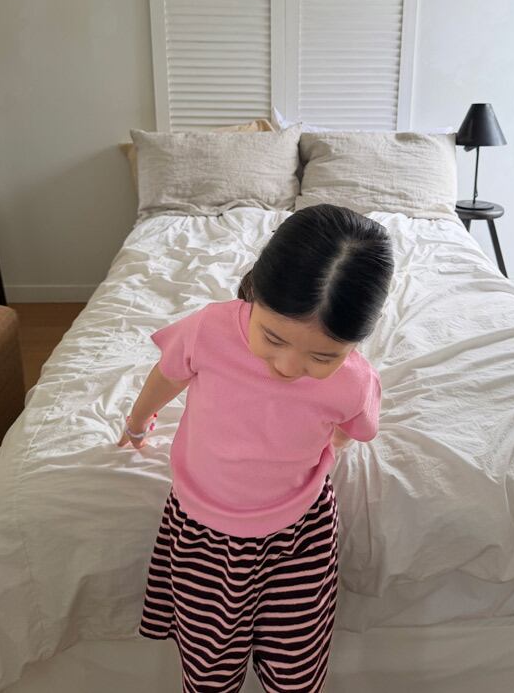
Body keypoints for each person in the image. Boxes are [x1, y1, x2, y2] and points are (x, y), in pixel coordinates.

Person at [118, 203, 394, 693]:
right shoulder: (208, 330)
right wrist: (139, 422)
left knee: (297, 668)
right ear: (257, 293)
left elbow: (354, 428)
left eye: (322, 357)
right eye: (273, 338)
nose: (288, 367)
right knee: (208, 670)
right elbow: (168, 375)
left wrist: (333, 441)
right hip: (202, 531)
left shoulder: (355, 382)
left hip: (300, 535)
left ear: (354, 344)